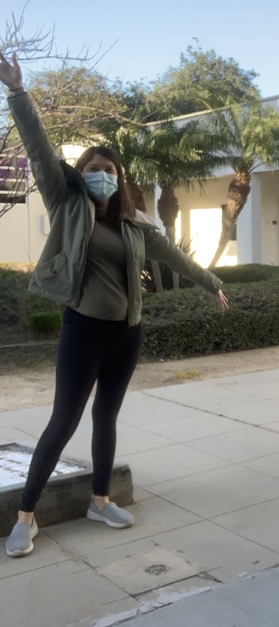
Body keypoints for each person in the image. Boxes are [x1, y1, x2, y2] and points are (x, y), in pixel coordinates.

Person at [0, 52, 229, 558]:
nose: (102, 174)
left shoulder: (134, 224)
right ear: (81, 174)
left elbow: (174, 255)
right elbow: (39, 150)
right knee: (63, 422)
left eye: (109, 170)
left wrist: (211, 282)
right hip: (83, 331)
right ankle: (26, 517)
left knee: (107, 417)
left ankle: (99, 501)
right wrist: (18, 93)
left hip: (127, 333)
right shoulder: (67, 204)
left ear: (119, 178)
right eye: (94, 168)